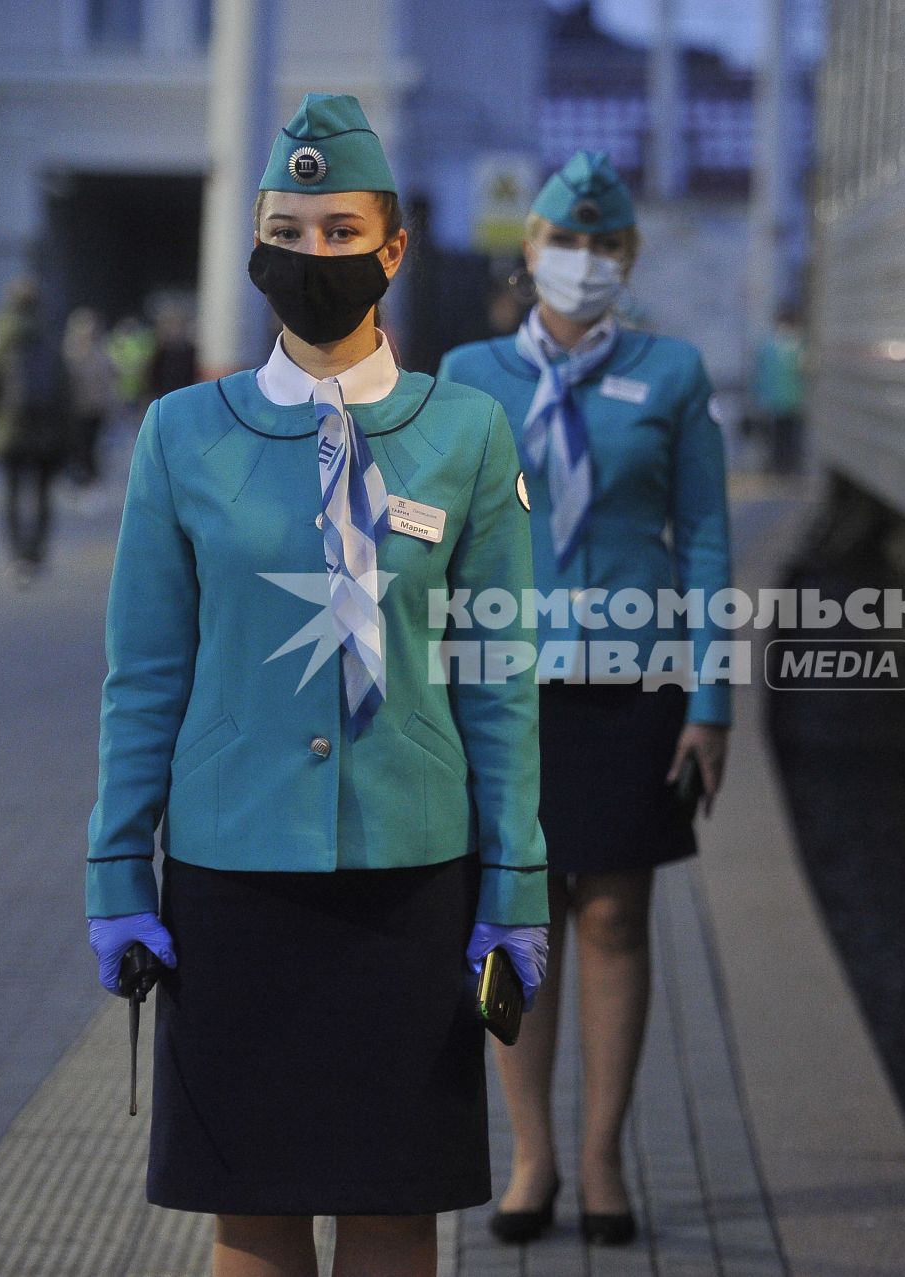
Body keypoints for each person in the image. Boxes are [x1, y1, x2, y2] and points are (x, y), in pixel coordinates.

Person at [82, 93, 550, 1277]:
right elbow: (143, 675)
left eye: (341, 232)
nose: (312, 257)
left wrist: (517, 883)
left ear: (394, 251)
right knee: (256, 1209)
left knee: (396, 1209)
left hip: (413, 871)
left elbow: (501, 682)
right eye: (288, 232)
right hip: (235, 877)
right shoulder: (184, 435)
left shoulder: (471, 433)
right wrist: (114, 868)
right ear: (256, 246)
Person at [439, 150, 733, 1248]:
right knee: (521, 922)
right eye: (565, 241)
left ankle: (604, 1154)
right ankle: (533, 1156)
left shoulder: (672, 373)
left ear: (630, 257)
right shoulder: (469, 373)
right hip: (500, 686)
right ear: (530, 251)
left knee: (612, 916)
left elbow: (704, 539)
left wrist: (714, 699)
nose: (583, 262)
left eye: (605, 245)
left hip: (633, 682)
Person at [0, 275, 70, 586]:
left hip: (8, 430)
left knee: (11, 492)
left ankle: (16, 555)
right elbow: (65, 390)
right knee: (42, 492)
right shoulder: (49, 335)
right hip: (47, 432)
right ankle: (36, 553)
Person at [61, 306, 115, 501]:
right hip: (76, 409)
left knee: (93, 447)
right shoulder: (71, 353)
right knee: (78, 448)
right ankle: (78, 482)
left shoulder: (102, 352)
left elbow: (110, 380)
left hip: (97, 408)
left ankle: (90, 484)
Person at [751, 305, 806, 473]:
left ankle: (783, 466)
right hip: (783, 401)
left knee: (783, 436)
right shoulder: (793, 347)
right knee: (782, 436)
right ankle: (781, 466)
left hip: (784, 401)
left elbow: (759, 374)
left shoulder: (773, 346)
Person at [145, 301, 198, 399]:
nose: (176, 330)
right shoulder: (161, 352)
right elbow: (152, 379)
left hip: (185, 396)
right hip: (164, 397)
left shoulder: (191, 351)